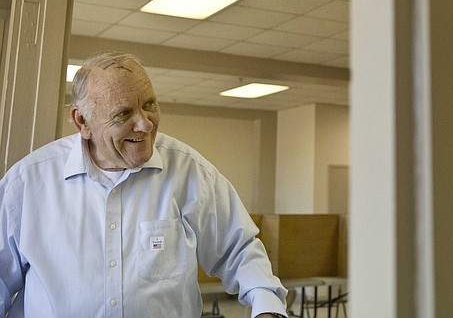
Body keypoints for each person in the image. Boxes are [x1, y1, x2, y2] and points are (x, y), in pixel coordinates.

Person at [0, 52, 287, 317]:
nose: (145, 124)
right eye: (123, 114)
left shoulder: (188, 170)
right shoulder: (28, 182)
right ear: (82, 121)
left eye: (149, 105)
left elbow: (238, 249)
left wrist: (266, 306)